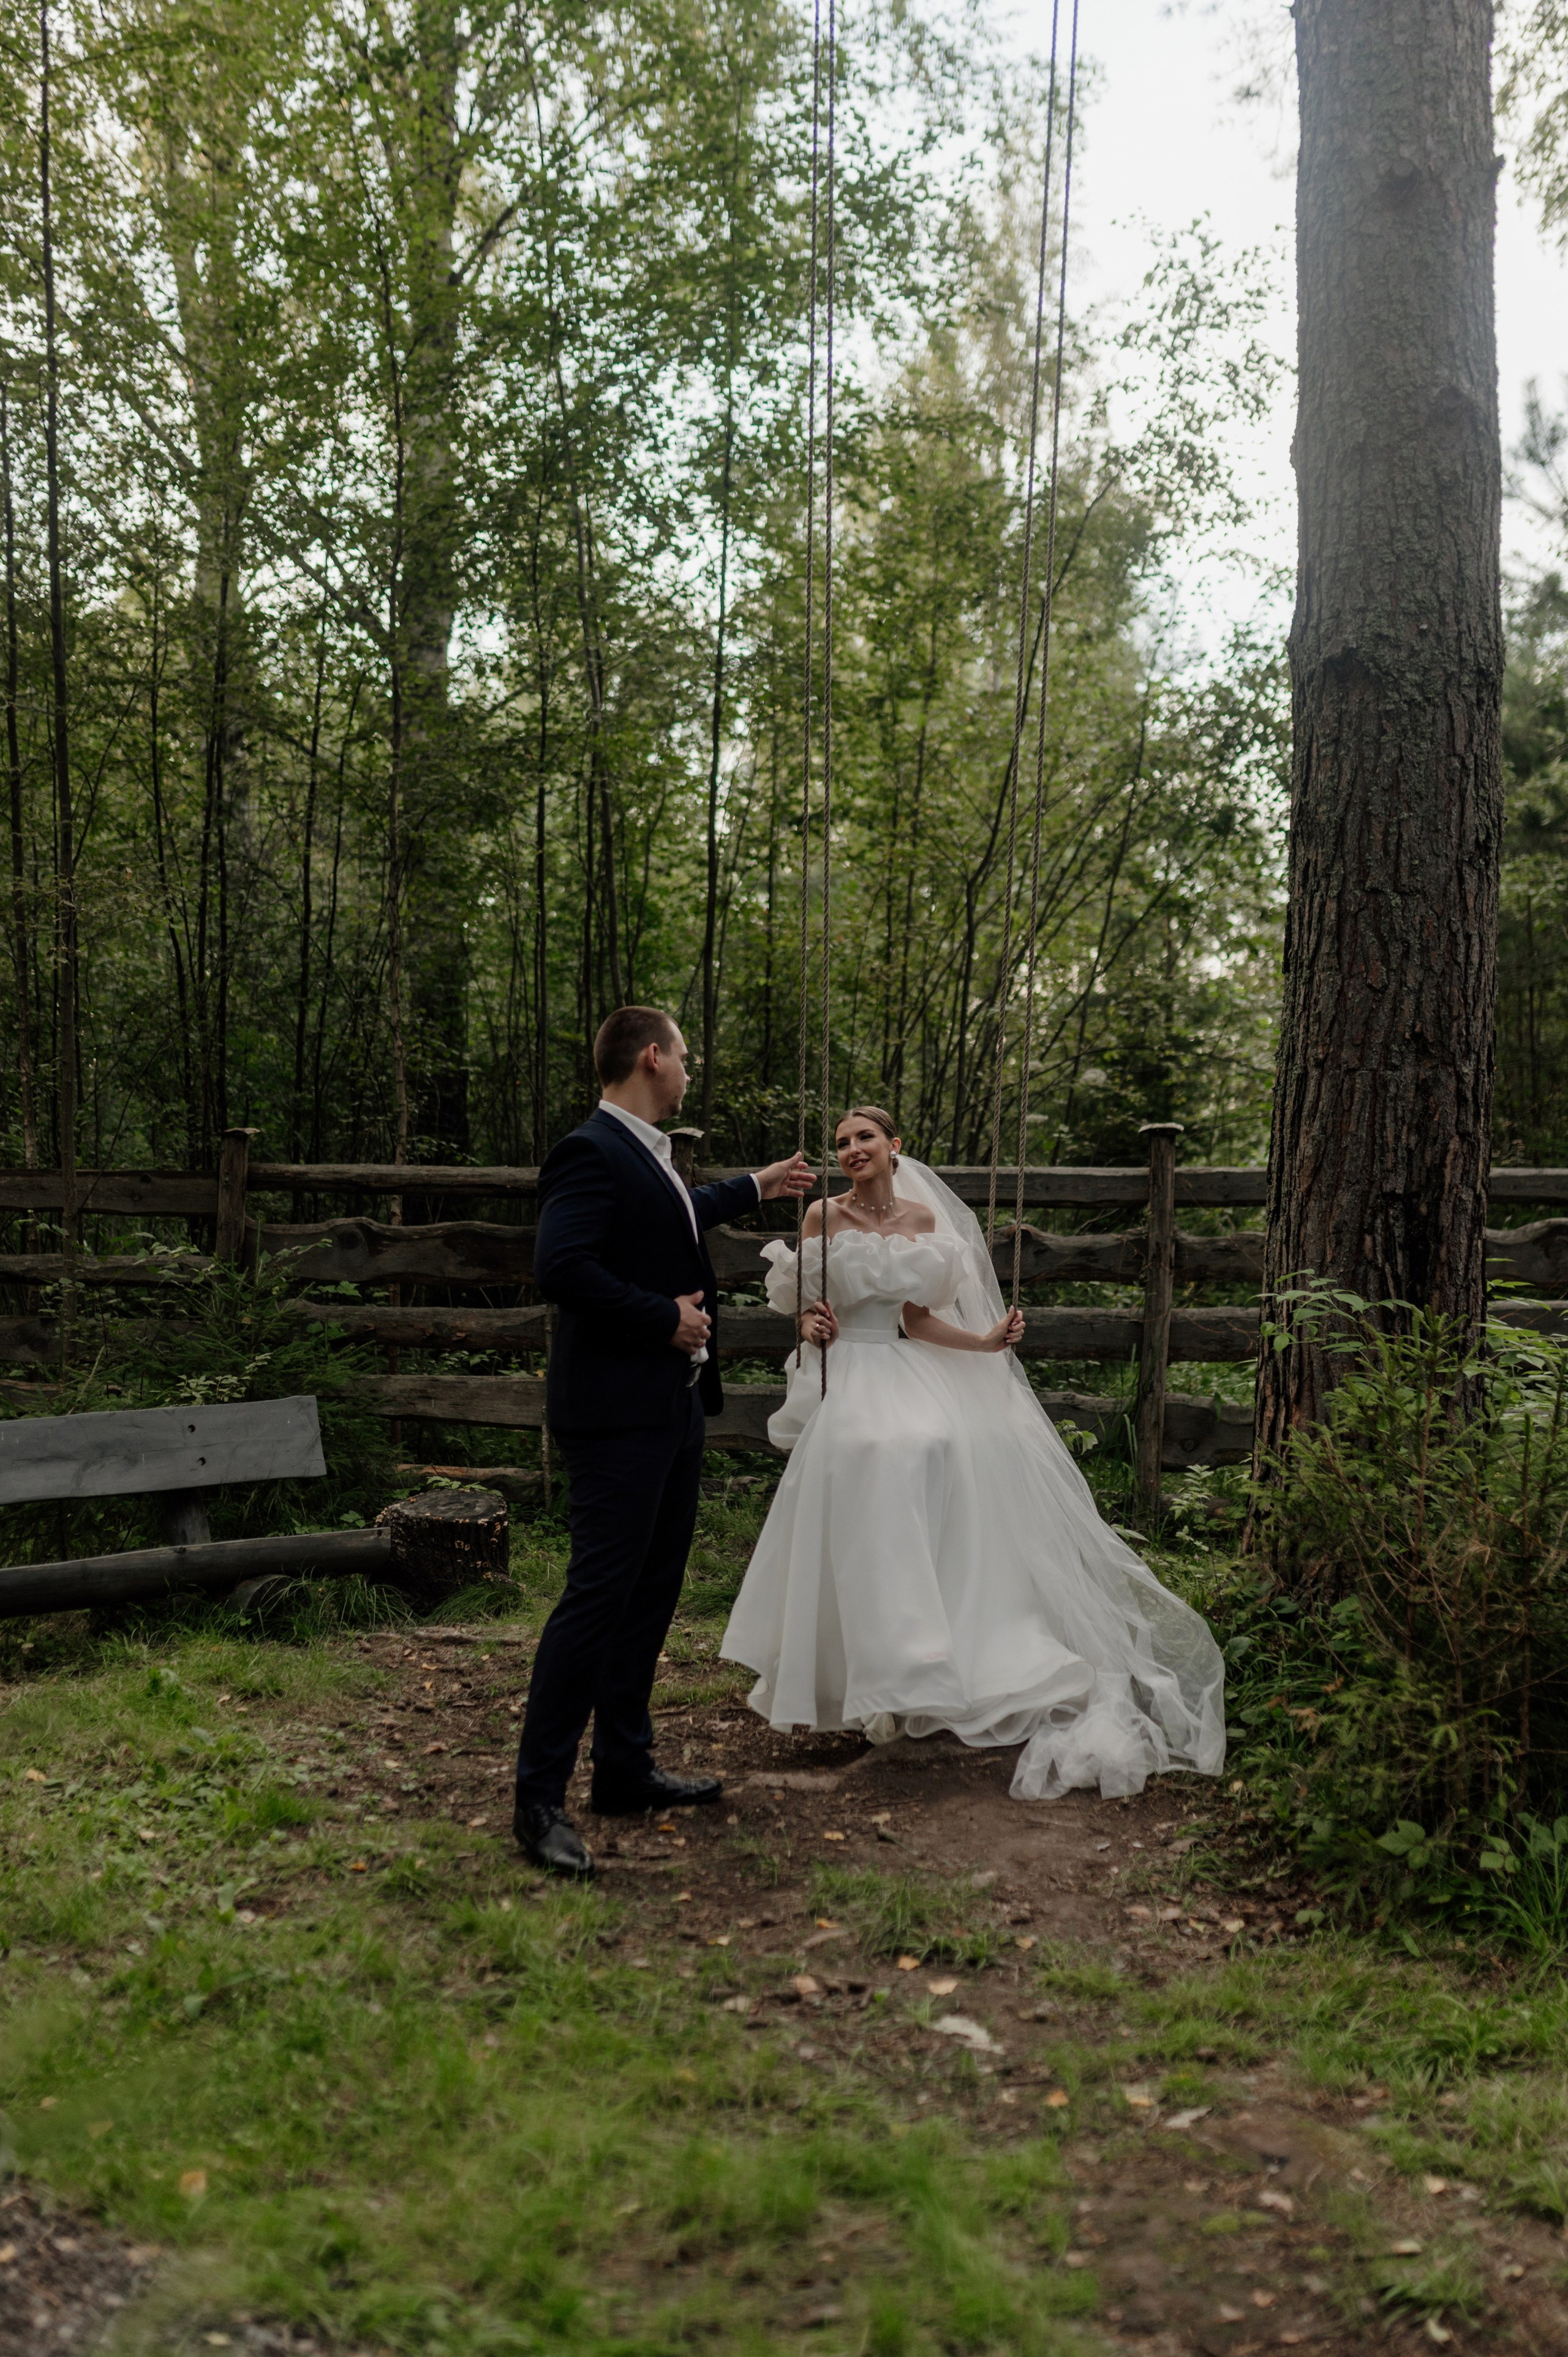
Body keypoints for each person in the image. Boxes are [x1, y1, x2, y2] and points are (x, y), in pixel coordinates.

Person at [720, 1107, 1225, 1798]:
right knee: (872, 1447)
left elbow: (917, 1318)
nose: (850, 1149)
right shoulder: (819, 1219)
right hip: (851, 1370)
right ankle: (871, 1672)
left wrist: (985, 1342)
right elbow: (807, 1311)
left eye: (864, 1136)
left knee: (935, 1441)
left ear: (894, 1146)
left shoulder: (925, 1223)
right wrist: (809, 1322)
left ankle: (930, 1654)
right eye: (841, 1142)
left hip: (905, 1366)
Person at [514, 1005, 815, 1879]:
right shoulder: (589, 1151)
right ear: (653, 1058)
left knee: (650, 1594)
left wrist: (758, 1185)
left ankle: (623, 1770)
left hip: (673, 1410)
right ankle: (538, 1800)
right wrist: (663, 1319)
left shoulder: (649, 1155)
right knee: (596, 1598)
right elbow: (561, 1267)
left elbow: (678, 1217)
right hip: (615, 1413)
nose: (690, 1068)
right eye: (685, 1054)